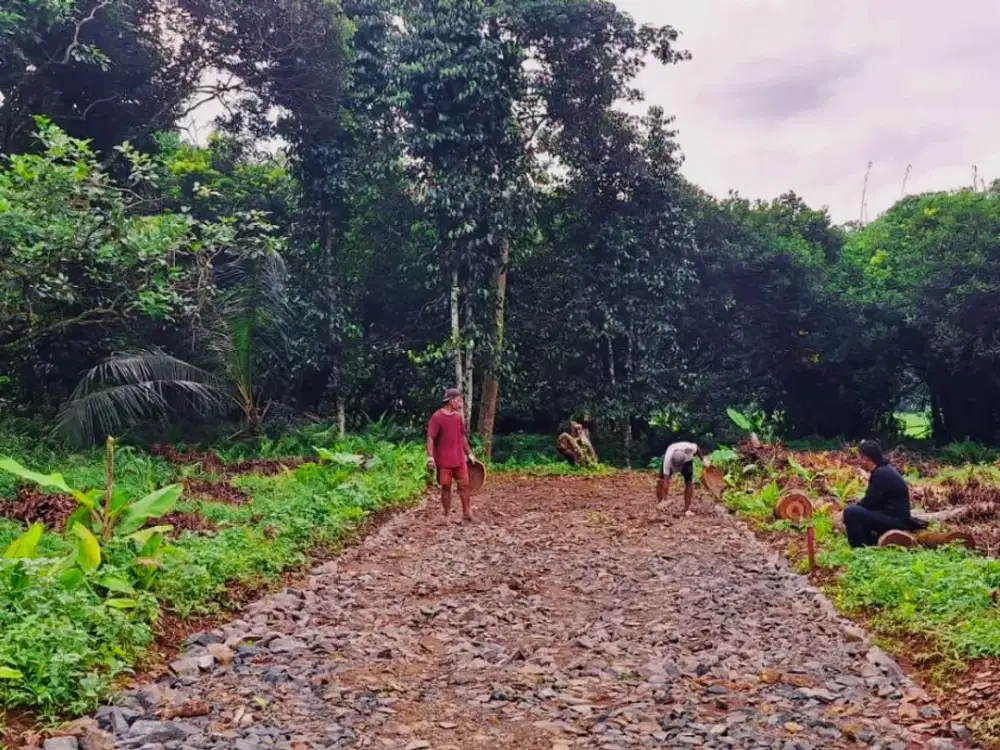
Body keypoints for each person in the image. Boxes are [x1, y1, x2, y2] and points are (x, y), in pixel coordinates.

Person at [843, 440, 924, 547]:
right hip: (892, 515)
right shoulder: (884, 470)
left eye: (859, 457)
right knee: (857, 511)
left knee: (851, 512)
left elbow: (869, 503)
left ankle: (860, 546)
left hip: (896, 520)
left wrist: (852, 508)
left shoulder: (881, 474)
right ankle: (870, 540)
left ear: (866, 459)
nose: (858, 461)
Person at [426, 388, 476, 522]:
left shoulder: (459, 418)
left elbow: (462, 437)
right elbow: (430, 437)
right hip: (444, 461)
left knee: (464, 485)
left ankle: (467, 512)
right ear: (451, 401)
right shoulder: (437, 417)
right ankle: (447, 514)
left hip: (459, 459)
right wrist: (430, 456)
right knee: (446, 486)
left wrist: (469, 453)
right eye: (459, 400)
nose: (460, 403)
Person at [657, 441, 700, 515]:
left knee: (689, 483)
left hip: (686, 463)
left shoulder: (690, 450)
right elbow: (666, 481)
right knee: (660, 480)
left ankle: (687, 509)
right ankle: (661, 503)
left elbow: (697, 448)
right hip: (671, 458)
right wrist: (665, 500)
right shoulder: (667, 460)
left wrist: (703, 459)